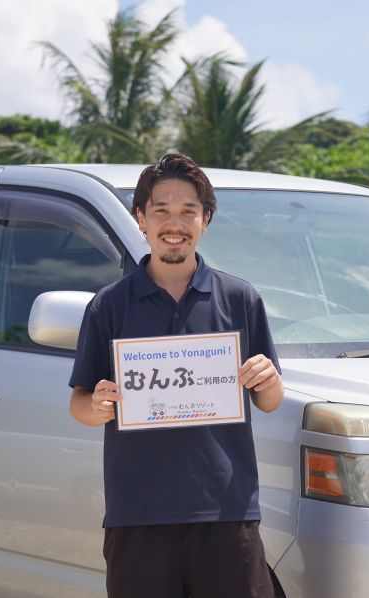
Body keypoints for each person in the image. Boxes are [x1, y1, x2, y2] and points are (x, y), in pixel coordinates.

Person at [68, 153, 284, 598]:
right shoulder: (109, 305)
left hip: (226, 512)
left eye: (188, 211)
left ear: (205, 220)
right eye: (161, 210)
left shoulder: (240, 298)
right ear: (141, 219)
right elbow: (80, 404)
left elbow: (268, 400)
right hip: (138, 514)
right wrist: (97, 405)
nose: (175, 222)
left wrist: (268, 380)